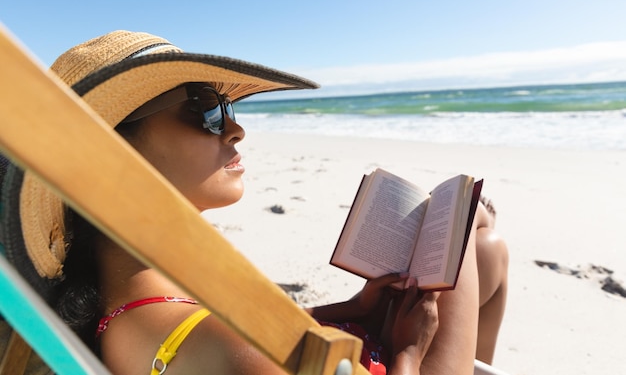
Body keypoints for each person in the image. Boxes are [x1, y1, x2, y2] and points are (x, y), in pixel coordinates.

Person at [0, 30, 507, 375]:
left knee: (486, 248)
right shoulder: (215, 340)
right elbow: (235, 350)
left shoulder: (131, 301)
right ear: (114, 153)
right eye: (205, 112)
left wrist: (345, 309)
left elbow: (227, 339)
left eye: (228, 108)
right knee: (470, 244)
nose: (237, 128)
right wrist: (412, 356)